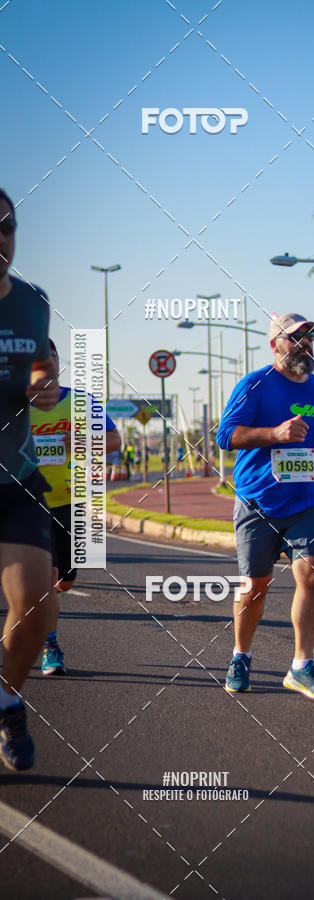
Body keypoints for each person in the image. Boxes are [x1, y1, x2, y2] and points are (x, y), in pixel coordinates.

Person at [216, 313, 314, 700]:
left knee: (313, 576)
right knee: (255, 588)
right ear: (276, 344)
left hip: (306, 500)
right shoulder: (254, 384)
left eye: (309, 338)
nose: (305, 344)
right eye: (296, 338)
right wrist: (273, 434)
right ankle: (241, 656)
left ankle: (301, 666)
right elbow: (226, 435)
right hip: (258, 500)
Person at [0, 188, 59, 770]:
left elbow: (41, 359)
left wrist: (44, 380)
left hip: (14, 476)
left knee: (36, 607)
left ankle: (7, 698)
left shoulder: (33, 302)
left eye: (7, 227)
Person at [29, 339, 120, 676]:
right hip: (29, 502)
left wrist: (83, 441)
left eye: (51, 357)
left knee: (65, 578)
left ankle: (54, 593)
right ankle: (50, 645)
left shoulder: (80, 402)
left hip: (70, 501)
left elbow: (114, 441)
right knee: (47, 576)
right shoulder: (13, 406)